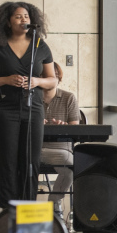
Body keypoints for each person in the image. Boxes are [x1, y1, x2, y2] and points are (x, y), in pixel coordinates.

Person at [0, 2, 57, 208]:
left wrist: (37, 81)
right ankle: (8, 205)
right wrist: (6, 80)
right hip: (4, 109)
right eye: (17, 16)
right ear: (7, 21)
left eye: (26, 16)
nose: (23, 20)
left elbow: (52, 80)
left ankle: (28, 204)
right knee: (8, 159)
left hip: (33, 108)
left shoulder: (40, 45)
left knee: (31, 159)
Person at [40, 62, 80, 217]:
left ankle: (53, 201)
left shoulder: (68, 98)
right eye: (45, 76)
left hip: (62, 149)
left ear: (58, 78)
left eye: (53, 76)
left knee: (69, 172)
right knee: (72, 163)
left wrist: (64, 126)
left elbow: (75, 128)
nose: (50, 79)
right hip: (37, 148)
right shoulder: (32, 99)